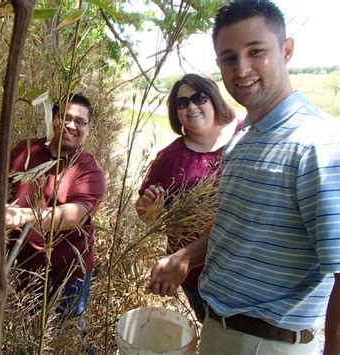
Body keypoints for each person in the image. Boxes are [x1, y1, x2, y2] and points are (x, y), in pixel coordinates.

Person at [145, 1, 340, 354]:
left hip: (269, 341)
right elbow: (235, 223)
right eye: (229, 57)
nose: (243, 68)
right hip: (222, 327)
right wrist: (186, 256)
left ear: (287, 49)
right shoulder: (244, 137)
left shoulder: (318, 143)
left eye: (256, 51)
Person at [135, 73, 242, 323]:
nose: (191, 106)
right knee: (214, 334)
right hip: (194, 273)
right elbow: (145, 213)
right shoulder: (170, 157)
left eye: (199, 97)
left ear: (213, 98)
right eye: (182, 103)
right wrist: (149, 208)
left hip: (243, 268)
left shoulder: (245, 133)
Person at [6, 93, 106, 322]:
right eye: (65, 117)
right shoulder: (25, 149)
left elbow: (75, 216)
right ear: (53, 119)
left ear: (88, 129)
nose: (71, 125)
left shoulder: (89, 171)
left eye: (80, 121)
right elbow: (2, 185)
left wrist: (21, 216)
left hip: (66, 274)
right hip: (18, 267)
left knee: (65, 332)